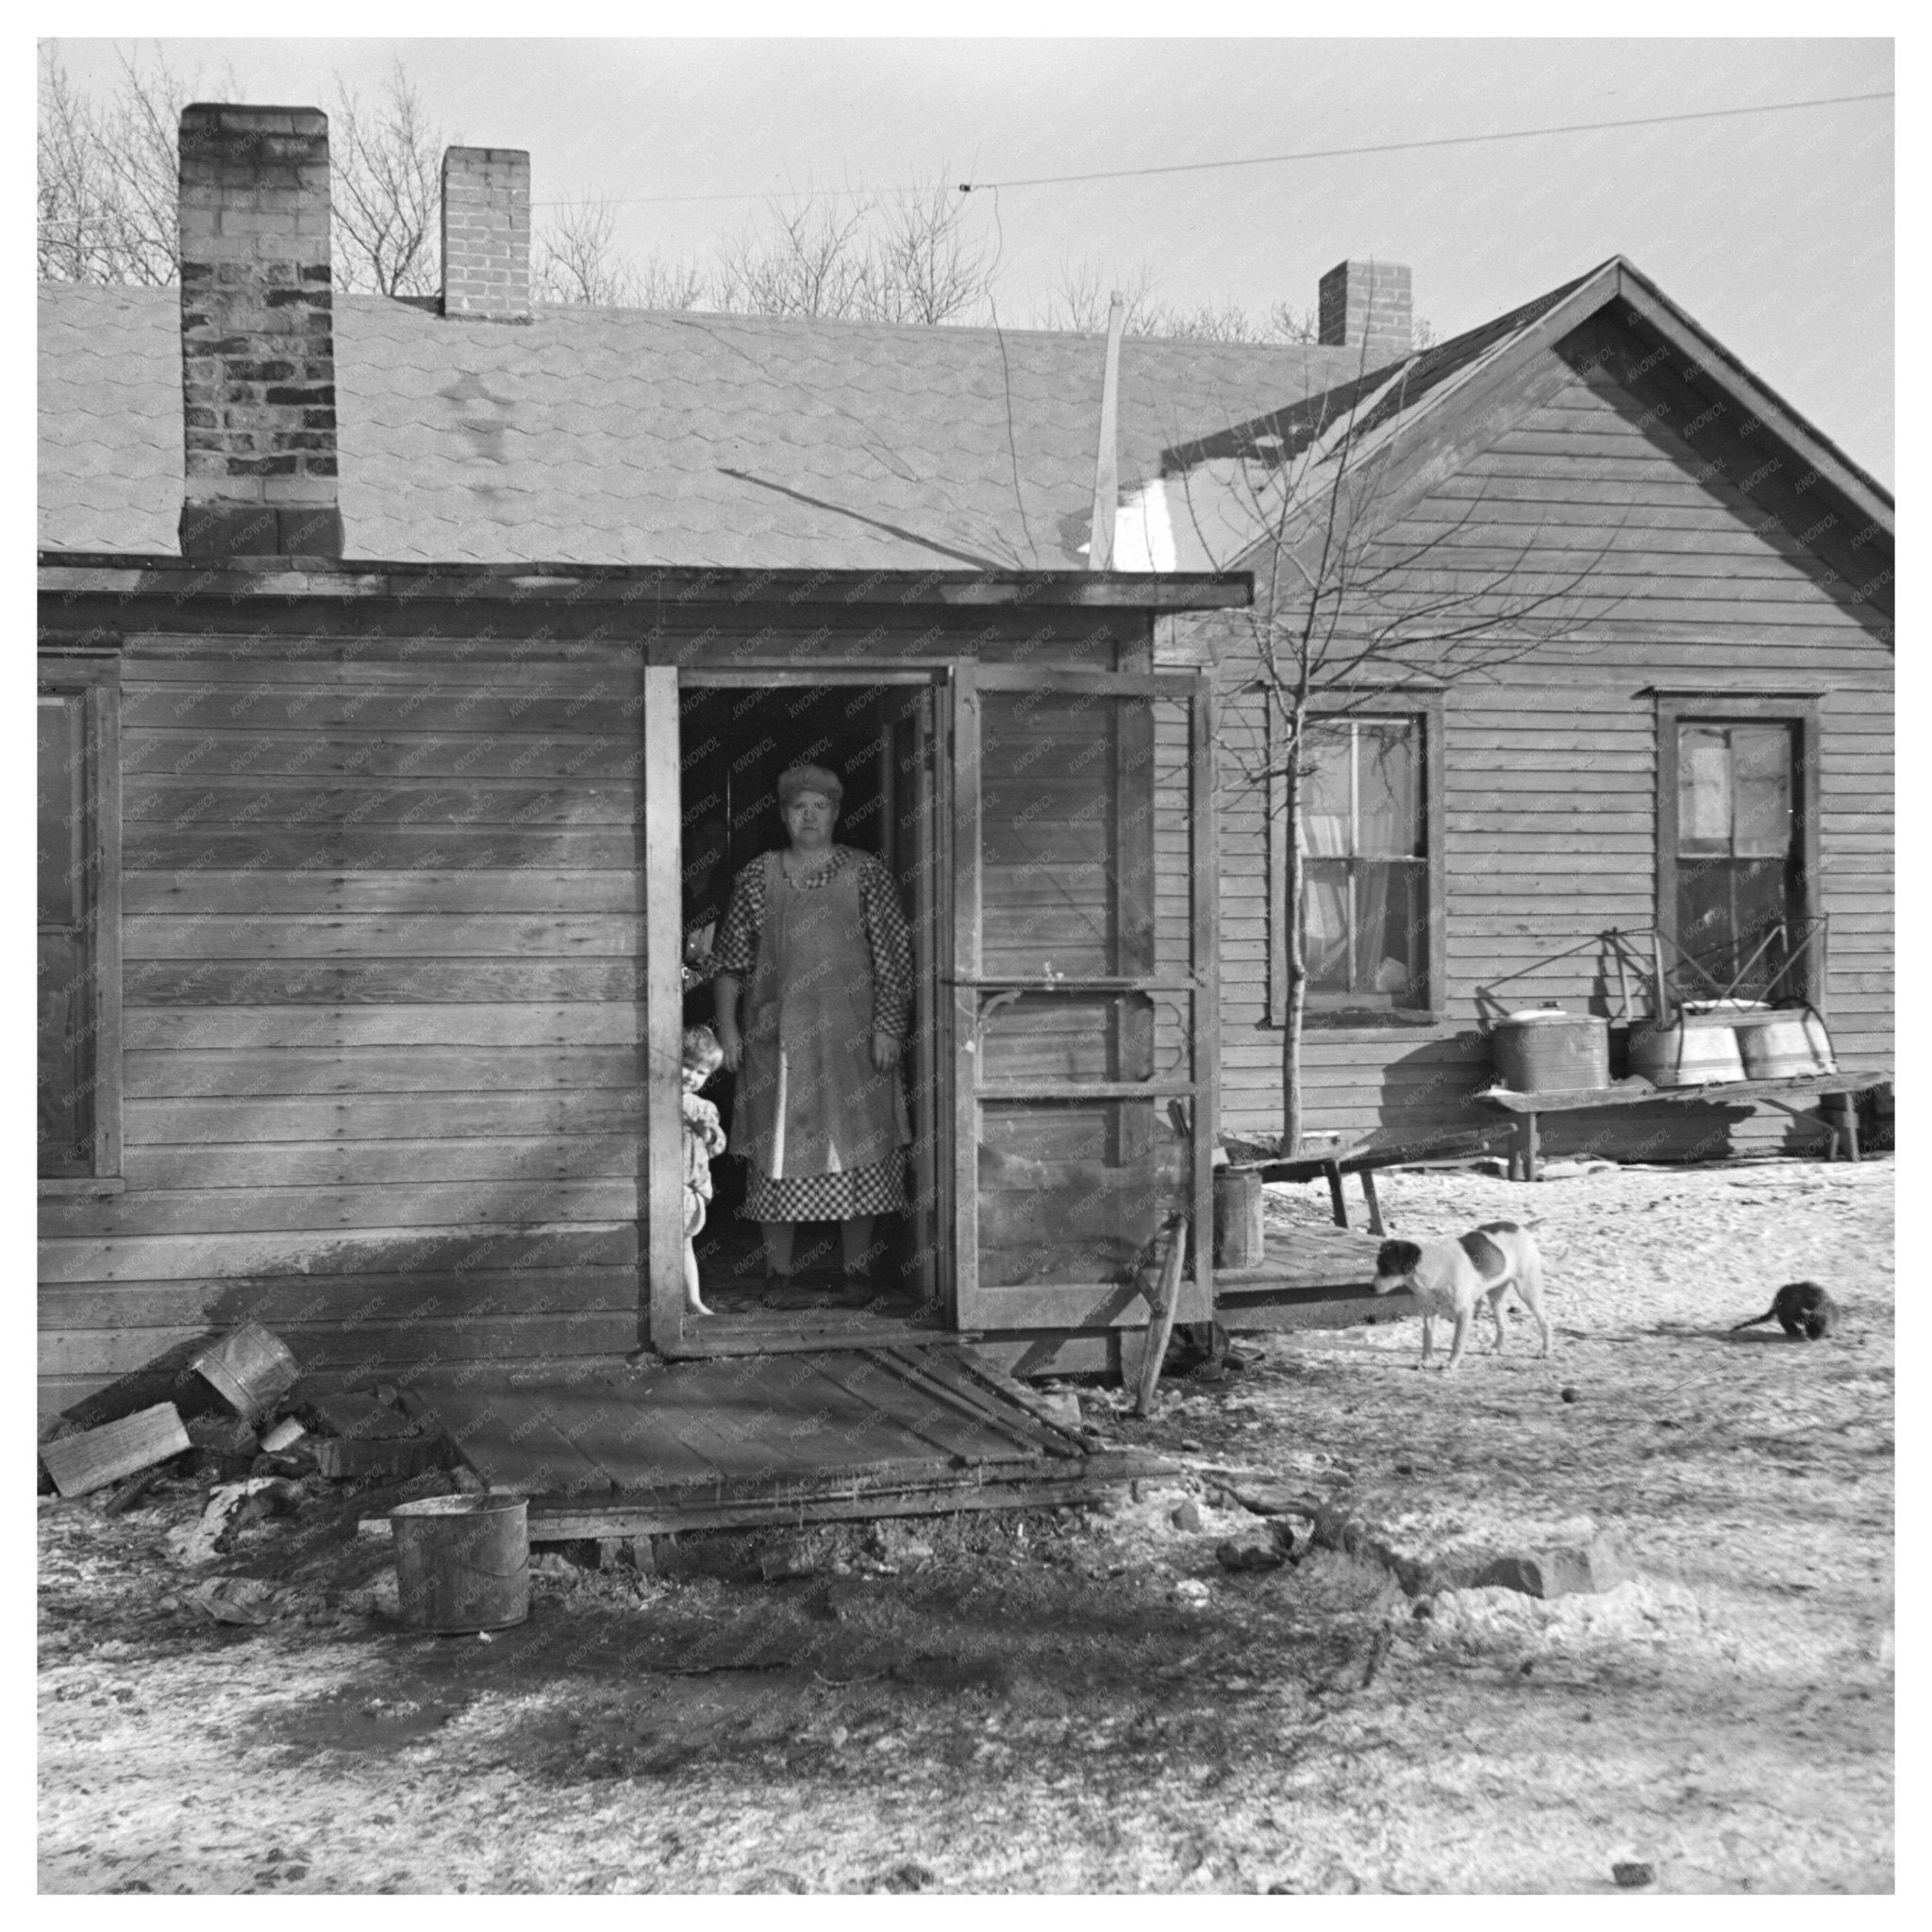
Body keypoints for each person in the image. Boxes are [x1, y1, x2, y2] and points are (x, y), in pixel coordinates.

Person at [711, 762, 912, 1307]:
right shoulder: (759, 876)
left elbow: (893, 961)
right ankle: (778, 1277)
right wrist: (729, 1032)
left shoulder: (866, 873)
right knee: (780, 1152)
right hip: (780, 1041)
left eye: (819, 806)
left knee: (859, 1148)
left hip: (855, 1038)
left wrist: (889, 1029)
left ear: (837, 812)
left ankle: (857, 1275)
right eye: (797, 806)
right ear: (782, 814)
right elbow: (729, 965)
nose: (808, 816)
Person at [679, 1025, 727, 1318]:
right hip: (665, 1187)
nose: (691, 1076)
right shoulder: (658, 1100)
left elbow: (718, 1144)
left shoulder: (703, 1107)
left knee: (685, 1243)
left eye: (700, 1072)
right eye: (686, 1066)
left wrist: (708, 1134)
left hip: (691, 1189)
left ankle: (693, 1300)